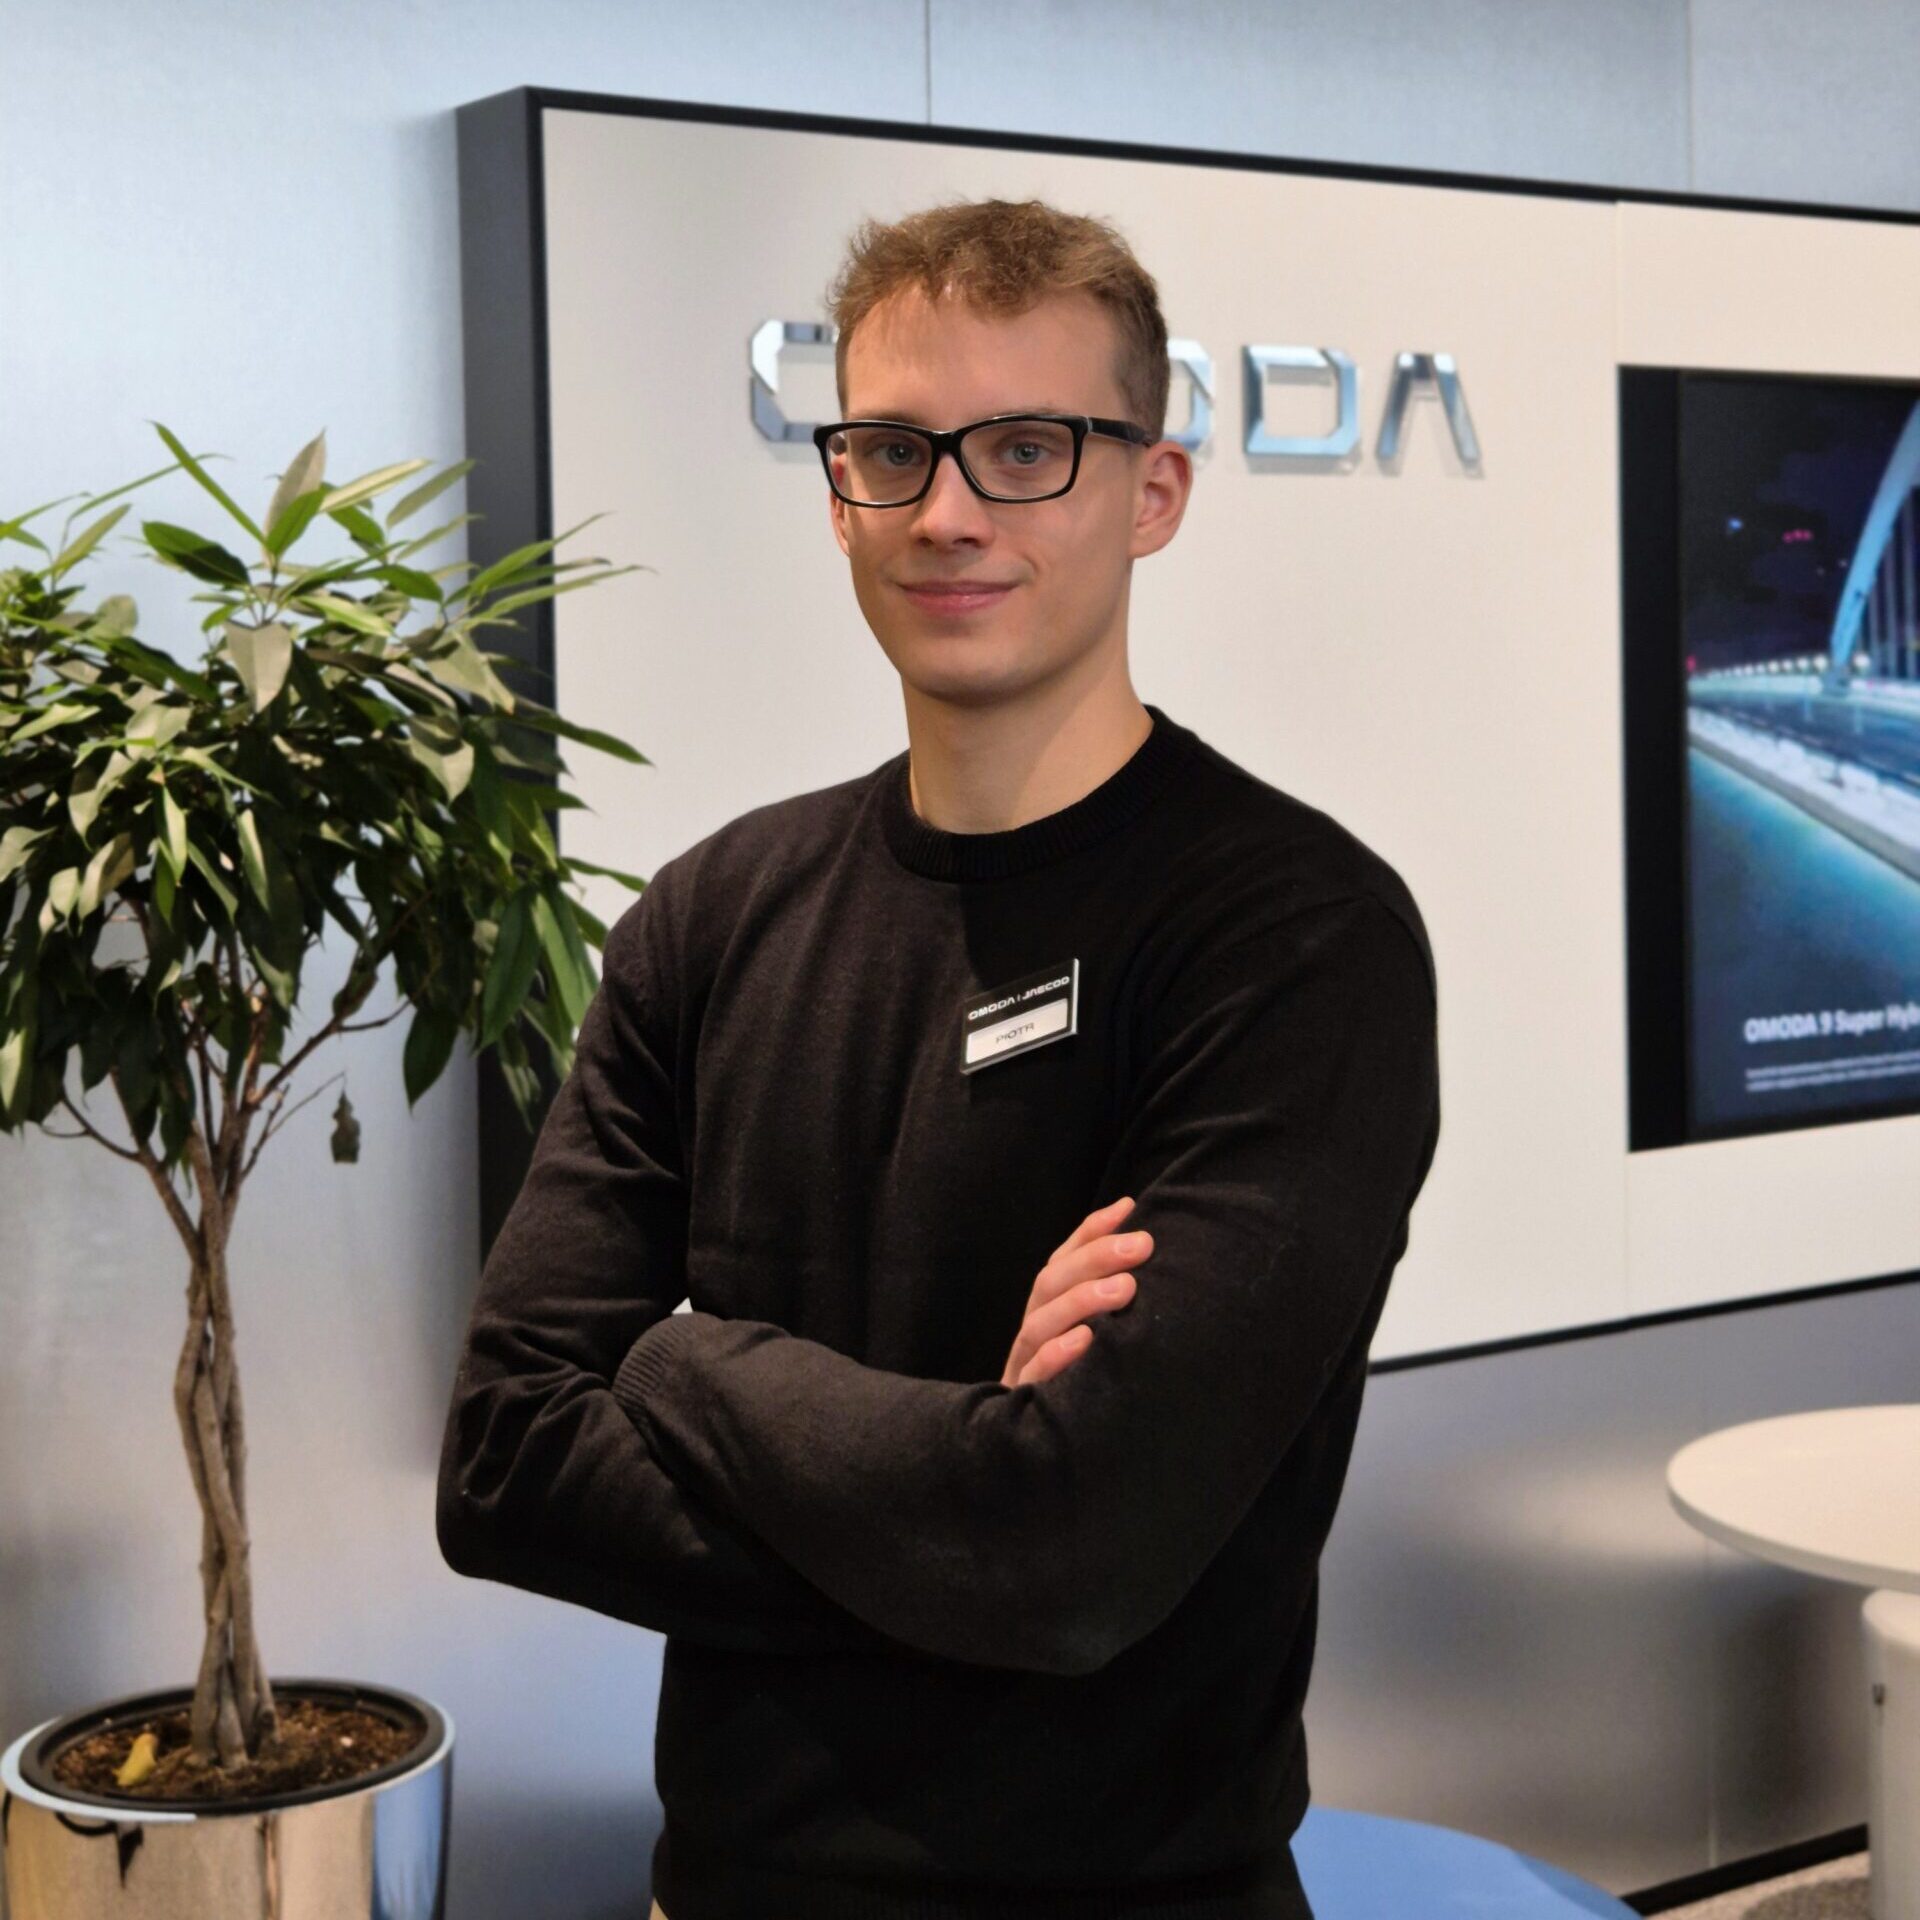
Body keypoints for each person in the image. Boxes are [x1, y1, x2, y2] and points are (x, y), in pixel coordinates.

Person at [437, 194, 1441, 1920]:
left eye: (1028, 450)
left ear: (1154, 492)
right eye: (895, 452)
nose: (949, 512)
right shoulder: (708, 917)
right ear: (839, 491)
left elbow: (1073, 1556)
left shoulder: (1296, 938)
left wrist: (688, 1364)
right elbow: (507, 1462)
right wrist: (966, 1504)